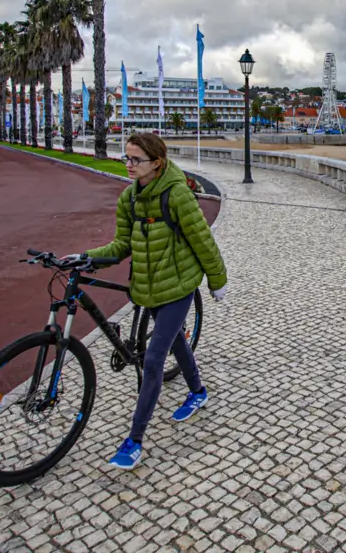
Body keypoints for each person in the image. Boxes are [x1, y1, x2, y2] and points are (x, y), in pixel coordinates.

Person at [62, 132, 227, 470]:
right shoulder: (129, 199)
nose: (128, 164)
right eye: (127, 158)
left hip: (179, 286)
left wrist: (217, 280)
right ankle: (198, 391)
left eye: (135, 159)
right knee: (175, 341)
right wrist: (85, 257)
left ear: (157, 162)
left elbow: (203, 240)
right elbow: (121, 245)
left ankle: (134, 441)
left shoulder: (178, 195)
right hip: (147, 287)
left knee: (153, 360)